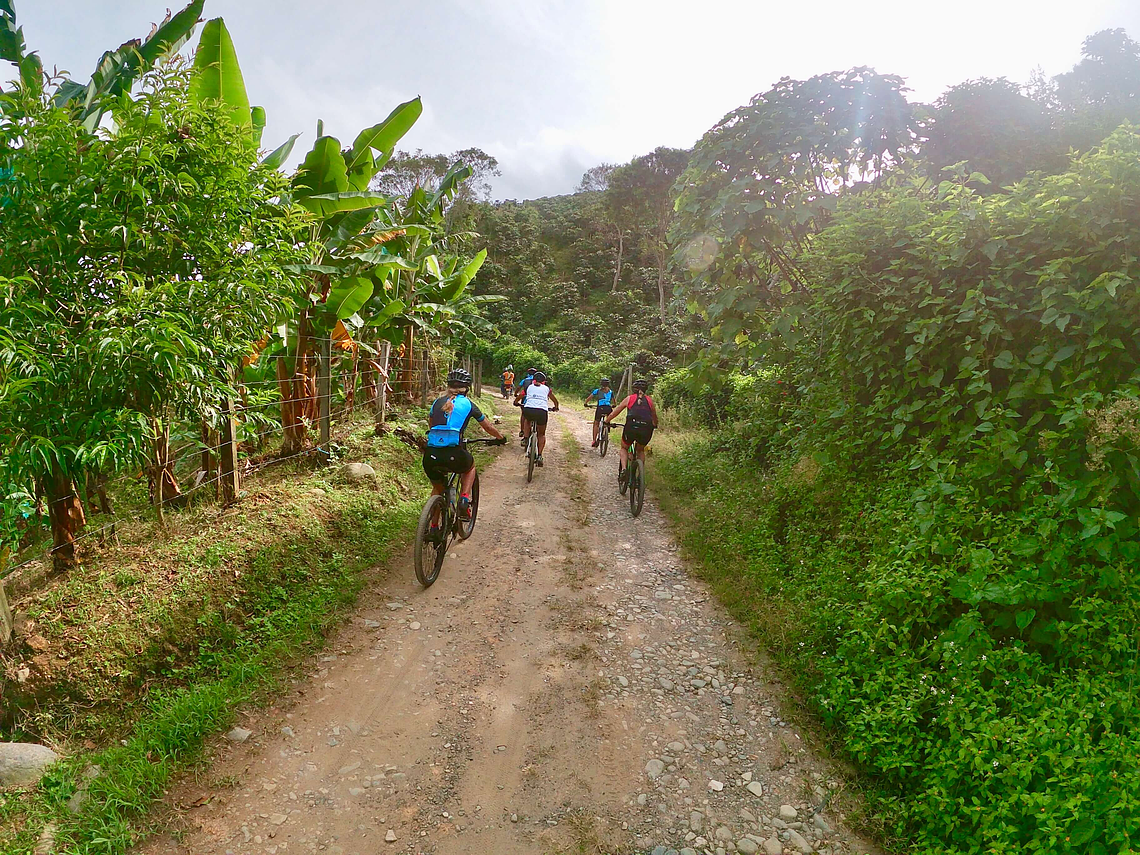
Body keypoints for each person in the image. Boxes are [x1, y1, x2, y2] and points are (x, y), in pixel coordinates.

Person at [423, 368, 506, 526]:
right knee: (469, 467)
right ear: (467, 388)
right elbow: (487, 427)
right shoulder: (469, 404)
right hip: (454, 453)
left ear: (448, 386)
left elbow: (431, 424)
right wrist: (500, 438)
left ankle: (433, 527)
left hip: (430, 455)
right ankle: (464, 499)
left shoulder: (436, 402)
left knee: (438, 489)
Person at [605, 377, 658, 483]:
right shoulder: (649, 401)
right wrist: (655, 425)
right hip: (646, 429)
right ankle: (640, 475)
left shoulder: (629, 398)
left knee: (624, 447)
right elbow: (654, 416)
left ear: (634, 389)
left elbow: (616, 411)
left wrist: (608, 421)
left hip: (631, 428)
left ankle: (624, 469)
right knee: (640, 450)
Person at [517, 371, 559, 466]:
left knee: (527, 420)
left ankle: (526, 438)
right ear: (544, 381)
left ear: (533, 380)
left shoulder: (528, 387)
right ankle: (540, 455)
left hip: (529, 409)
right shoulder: (547, 389)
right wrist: (556, 407)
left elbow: (520, 396)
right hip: (542, 412)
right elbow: (555, 400)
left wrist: (516, 402)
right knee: (541, 434)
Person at [583, 377, 615, 447]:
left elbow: (590, 397)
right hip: (608, 408)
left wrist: (586, 403)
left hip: (600, 408)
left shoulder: (597, 391)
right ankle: (607, 427)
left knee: (596, 423)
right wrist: (614, 405)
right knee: (607, 419)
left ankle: (594, 440)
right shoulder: (610, 392)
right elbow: (614, 402)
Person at [515, 366, 538, 439]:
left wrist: (516, 394)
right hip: (537, 402)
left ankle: (522, 430)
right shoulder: (538, 382)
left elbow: (519, 387)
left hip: (525, 400)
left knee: (524, 415)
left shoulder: (525, 380)